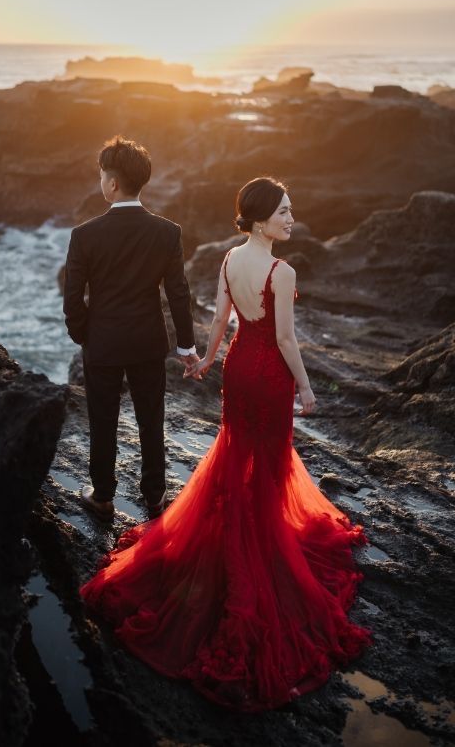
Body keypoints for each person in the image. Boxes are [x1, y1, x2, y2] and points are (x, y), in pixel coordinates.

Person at [79, 176, 373, 711]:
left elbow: (221, 319)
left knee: (236, 452)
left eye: (291, 208)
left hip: (238, 369)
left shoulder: (230, 260)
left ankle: (240, 527)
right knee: (267, 461)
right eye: (284, 211)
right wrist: (306, 388)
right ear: (261, 219)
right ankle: (260, 542)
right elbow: (285, 339)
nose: (291, 217)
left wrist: (209, 360)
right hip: (268, 373)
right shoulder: (281, 272)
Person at [63, 135, 200, 522]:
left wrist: (82, 333)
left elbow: (73, 298)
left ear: (112, 183)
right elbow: (178, 294)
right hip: (147, 342)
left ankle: (103, 494)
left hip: (102, 342)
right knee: (150, 419)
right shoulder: (166, 232)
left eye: (102, 176)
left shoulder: (84, 235)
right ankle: (155, 496)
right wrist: (186, 346)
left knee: (103, 420)